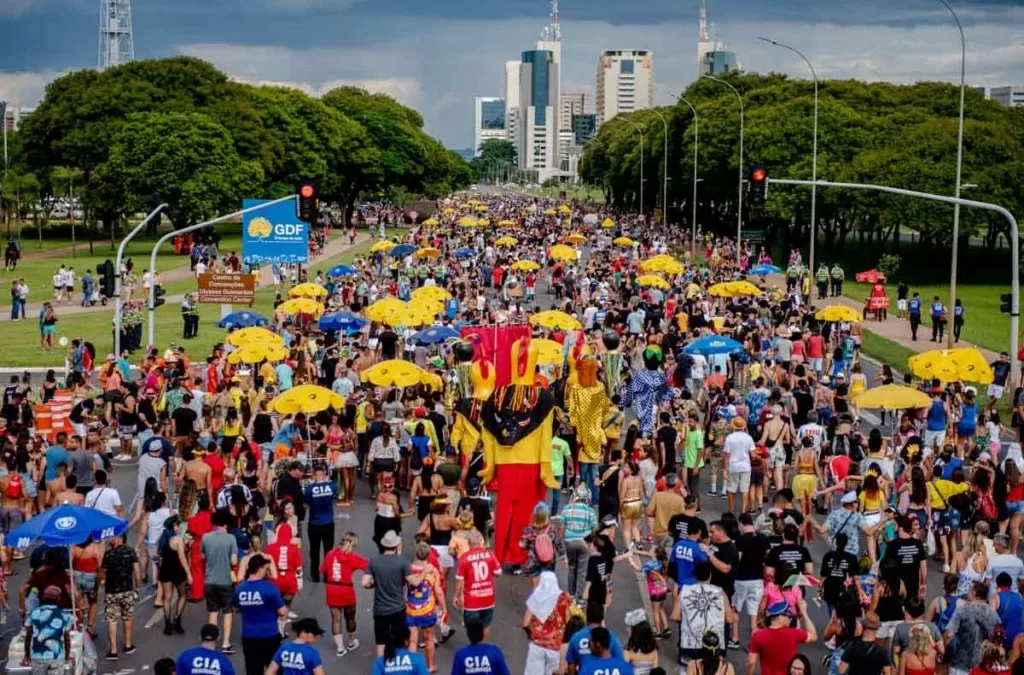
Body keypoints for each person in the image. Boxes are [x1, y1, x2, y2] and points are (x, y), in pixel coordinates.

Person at [364, 530, 420, 657]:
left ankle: (382, 667)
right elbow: (415, 582)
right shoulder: (403, 562)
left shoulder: (374, 561)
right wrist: (424, 572)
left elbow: (365, 583)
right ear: (396, 545)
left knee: (381, 642)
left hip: (380, 609)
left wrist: (375, 583)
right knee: (399, 641)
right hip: (398, 608)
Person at [235, 556, 288, 675]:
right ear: (260, 569)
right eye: (265, 568)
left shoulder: (240, 588)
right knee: (276, 668)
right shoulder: (269, 588)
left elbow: (235, 607)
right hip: (269, 635)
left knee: (253, 670)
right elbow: (283, 611)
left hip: (249, 636)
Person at [321, 532, 367, 657]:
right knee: (350, 617)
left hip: (332, 588)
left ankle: (340, 648)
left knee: (336, 619)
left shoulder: (331, 554)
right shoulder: (352, 557)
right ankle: (351, 641)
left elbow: (322, 569)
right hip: (346, 590)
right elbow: (368, 565)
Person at [746, 599, 817, 675]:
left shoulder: (758, 636)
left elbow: (751, 662)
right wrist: (804, 613)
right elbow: (813, 636)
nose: (790, 618)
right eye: (789, 615)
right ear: (781, 617)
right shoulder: (794, 633)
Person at [944, 581, 1001, 675]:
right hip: (982, 666)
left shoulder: (962, 610)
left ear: (974, 592)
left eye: (969, 589)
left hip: (960, 664)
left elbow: (948, 635)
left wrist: (945, 654)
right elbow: (999, 637)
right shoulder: (993, 614)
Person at [202, 509, 239, 653]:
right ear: (226, 523)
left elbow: (203, 555)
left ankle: (211, 641)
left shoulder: (206, 537)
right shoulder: (230, 539)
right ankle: (225, 643)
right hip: (225, 581)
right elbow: (234, 561)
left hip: (210, 580)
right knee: (227, 612)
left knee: (213, 612)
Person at [453, 529, 501, 641]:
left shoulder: (463, 558)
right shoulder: (490, 554)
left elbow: (460, 580)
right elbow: (498, 572)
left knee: (472, 628)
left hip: (471, 600)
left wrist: (456, 595)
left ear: (468, 543)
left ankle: (474, 649)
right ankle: (483, 648)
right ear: (481, 541)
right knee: (486, 625)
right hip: (488, 597)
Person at [522, 570, 573, 675]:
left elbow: (525, 623)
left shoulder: (536, 597)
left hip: (537, 644)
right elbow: (569, 622)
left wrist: (531, 636)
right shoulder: (565, 598)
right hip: (556, 646)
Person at [100, 533, 141, 660]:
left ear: (119, 538)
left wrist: (102, 583)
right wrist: (137, 586)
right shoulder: (130, 551)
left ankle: (113, 650)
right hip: (127, 590)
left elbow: (103, 572)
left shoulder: (108, 554)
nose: (111, 539)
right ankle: (128, 644)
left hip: (111, 592)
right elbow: (136, 570)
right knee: (127, 617)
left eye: (113, 537)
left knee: (112, 619)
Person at [560, 484, 598, 602]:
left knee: (572, 567)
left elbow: (561, 528)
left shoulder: (567, 508)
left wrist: (561, 543)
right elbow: (595, 529)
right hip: (584, 543)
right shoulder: (591, 511)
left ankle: (571, 594)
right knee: (582, 570)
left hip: (569, 541)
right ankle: (580, 597)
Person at [21, 586, 72, 674]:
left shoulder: (34, 613)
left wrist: (27, 655)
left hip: (37, 656)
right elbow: (67, 639)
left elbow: (28, 636)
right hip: (57, 657)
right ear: (58, 598)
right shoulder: (65, 616)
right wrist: (67, 657)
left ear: (44, 597)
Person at [567, 601, 626, 674]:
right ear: (602, 617)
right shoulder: (611, 637)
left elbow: (571, 667)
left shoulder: (576, 637)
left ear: (587, 616)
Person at [304, 464, 337, 582]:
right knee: (328, 551)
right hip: (328, 522)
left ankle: (315, 576)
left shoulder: (309, 489)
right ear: (324, 475)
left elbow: (306, 505)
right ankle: (327, 575)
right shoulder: (332, 486)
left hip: (314, 523)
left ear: (314, 476)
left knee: (314, 551)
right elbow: (334, 496)